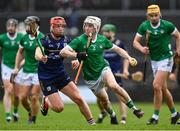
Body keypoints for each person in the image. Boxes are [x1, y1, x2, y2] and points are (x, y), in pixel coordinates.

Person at [60, 16, 144, 125]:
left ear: (96, 28)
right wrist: (77, 55)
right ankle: (112, 115)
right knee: (104, 100)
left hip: (103, 68)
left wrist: (128, 57)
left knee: (114, 86)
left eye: (90, 26)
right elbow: (63, 52)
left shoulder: (102, 40)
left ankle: (134, 109)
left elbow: (118, 49)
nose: (86, 28)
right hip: (91, 78)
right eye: (85, 25)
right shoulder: (79, 40)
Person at [35, 16, 95, 125]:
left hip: (60, 74)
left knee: (79, 98)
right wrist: (41, 57)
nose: (61, 28)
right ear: (51, 27)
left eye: (63, 26)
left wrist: (76, 60)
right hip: (46, 78)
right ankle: (46, 99)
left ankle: (92, 124)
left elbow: (75, 52)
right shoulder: (44, 40)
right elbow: (37, 53)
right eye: (58, 26)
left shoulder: (67, 40)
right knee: (59, 108)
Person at [133, 4, 180, 125]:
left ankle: (155, 117)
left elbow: (178, 35)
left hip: (166, 58)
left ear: (160, 15)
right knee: (163, 89)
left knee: (156, 86)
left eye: (156, 15)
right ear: (147, 16)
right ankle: (175, 114)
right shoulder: (144, 26)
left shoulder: (167, 25)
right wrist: (142, 49)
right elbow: (135, 42)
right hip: (154, 60)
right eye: (151, 15)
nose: (154, 17)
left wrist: (178, 51)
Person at [95, 24, 129, 124]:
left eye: (107, 31)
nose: (105, 33)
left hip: (117, 73)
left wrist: (125, 70)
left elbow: (126, 57)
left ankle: (123, 118)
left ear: (113, 32)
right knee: (99, 97)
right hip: (104, 73)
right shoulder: (100, 42)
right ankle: (103, 112)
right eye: (104, 31)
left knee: (120, 96)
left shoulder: (119, 43)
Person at [13, 16, 43, 124]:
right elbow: (19, 53)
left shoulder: (41, 37)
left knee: (34, 96)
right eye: (26, 24)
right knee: (23, 98)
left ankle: (33, 119)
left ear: (36, 25)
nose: (27, 26)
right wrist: (16, 67)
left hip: (38, 71)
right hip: (26, 71)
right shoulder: (24, 38)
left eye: (29, 24)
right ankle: (30, 112)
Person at [0, 18, 23, 122]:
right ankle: (8, 115)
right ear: (6, 27)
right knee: (8, 90)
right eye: (8, 26)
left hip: (18, 68)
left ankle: (15, 111)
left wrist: (20, 66)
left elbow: (26, 53)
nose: (10, 28)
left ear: (16, 27)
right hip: (6, 67)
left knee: (17, 95)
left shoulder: (21, 38)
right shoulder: (2, 38)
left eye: (12, 26)